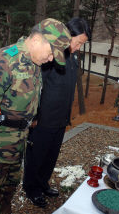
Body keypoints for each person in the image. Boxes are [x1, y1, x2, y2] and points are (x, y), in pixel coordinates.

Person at [0, 18, 71, 214]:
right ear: (38, 39)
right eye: (50, 53)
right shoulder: (3, 60)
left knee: (7, 194)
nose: (50, 59)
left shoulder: (34, 62)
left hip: (16, 144)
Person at [23, 17, 91, 208]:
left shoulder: (72, 58)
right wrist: (35, 116)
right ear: (68, 35)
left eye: (81, 44)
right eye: (78, 42)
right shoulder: (50, 56)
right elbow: (37, 87)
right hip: (43, 119)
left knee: (51, 155)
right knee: (36, 156)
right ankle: (31, 189)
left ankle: (43, 183)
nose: (78, 47)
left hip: (61, 118)